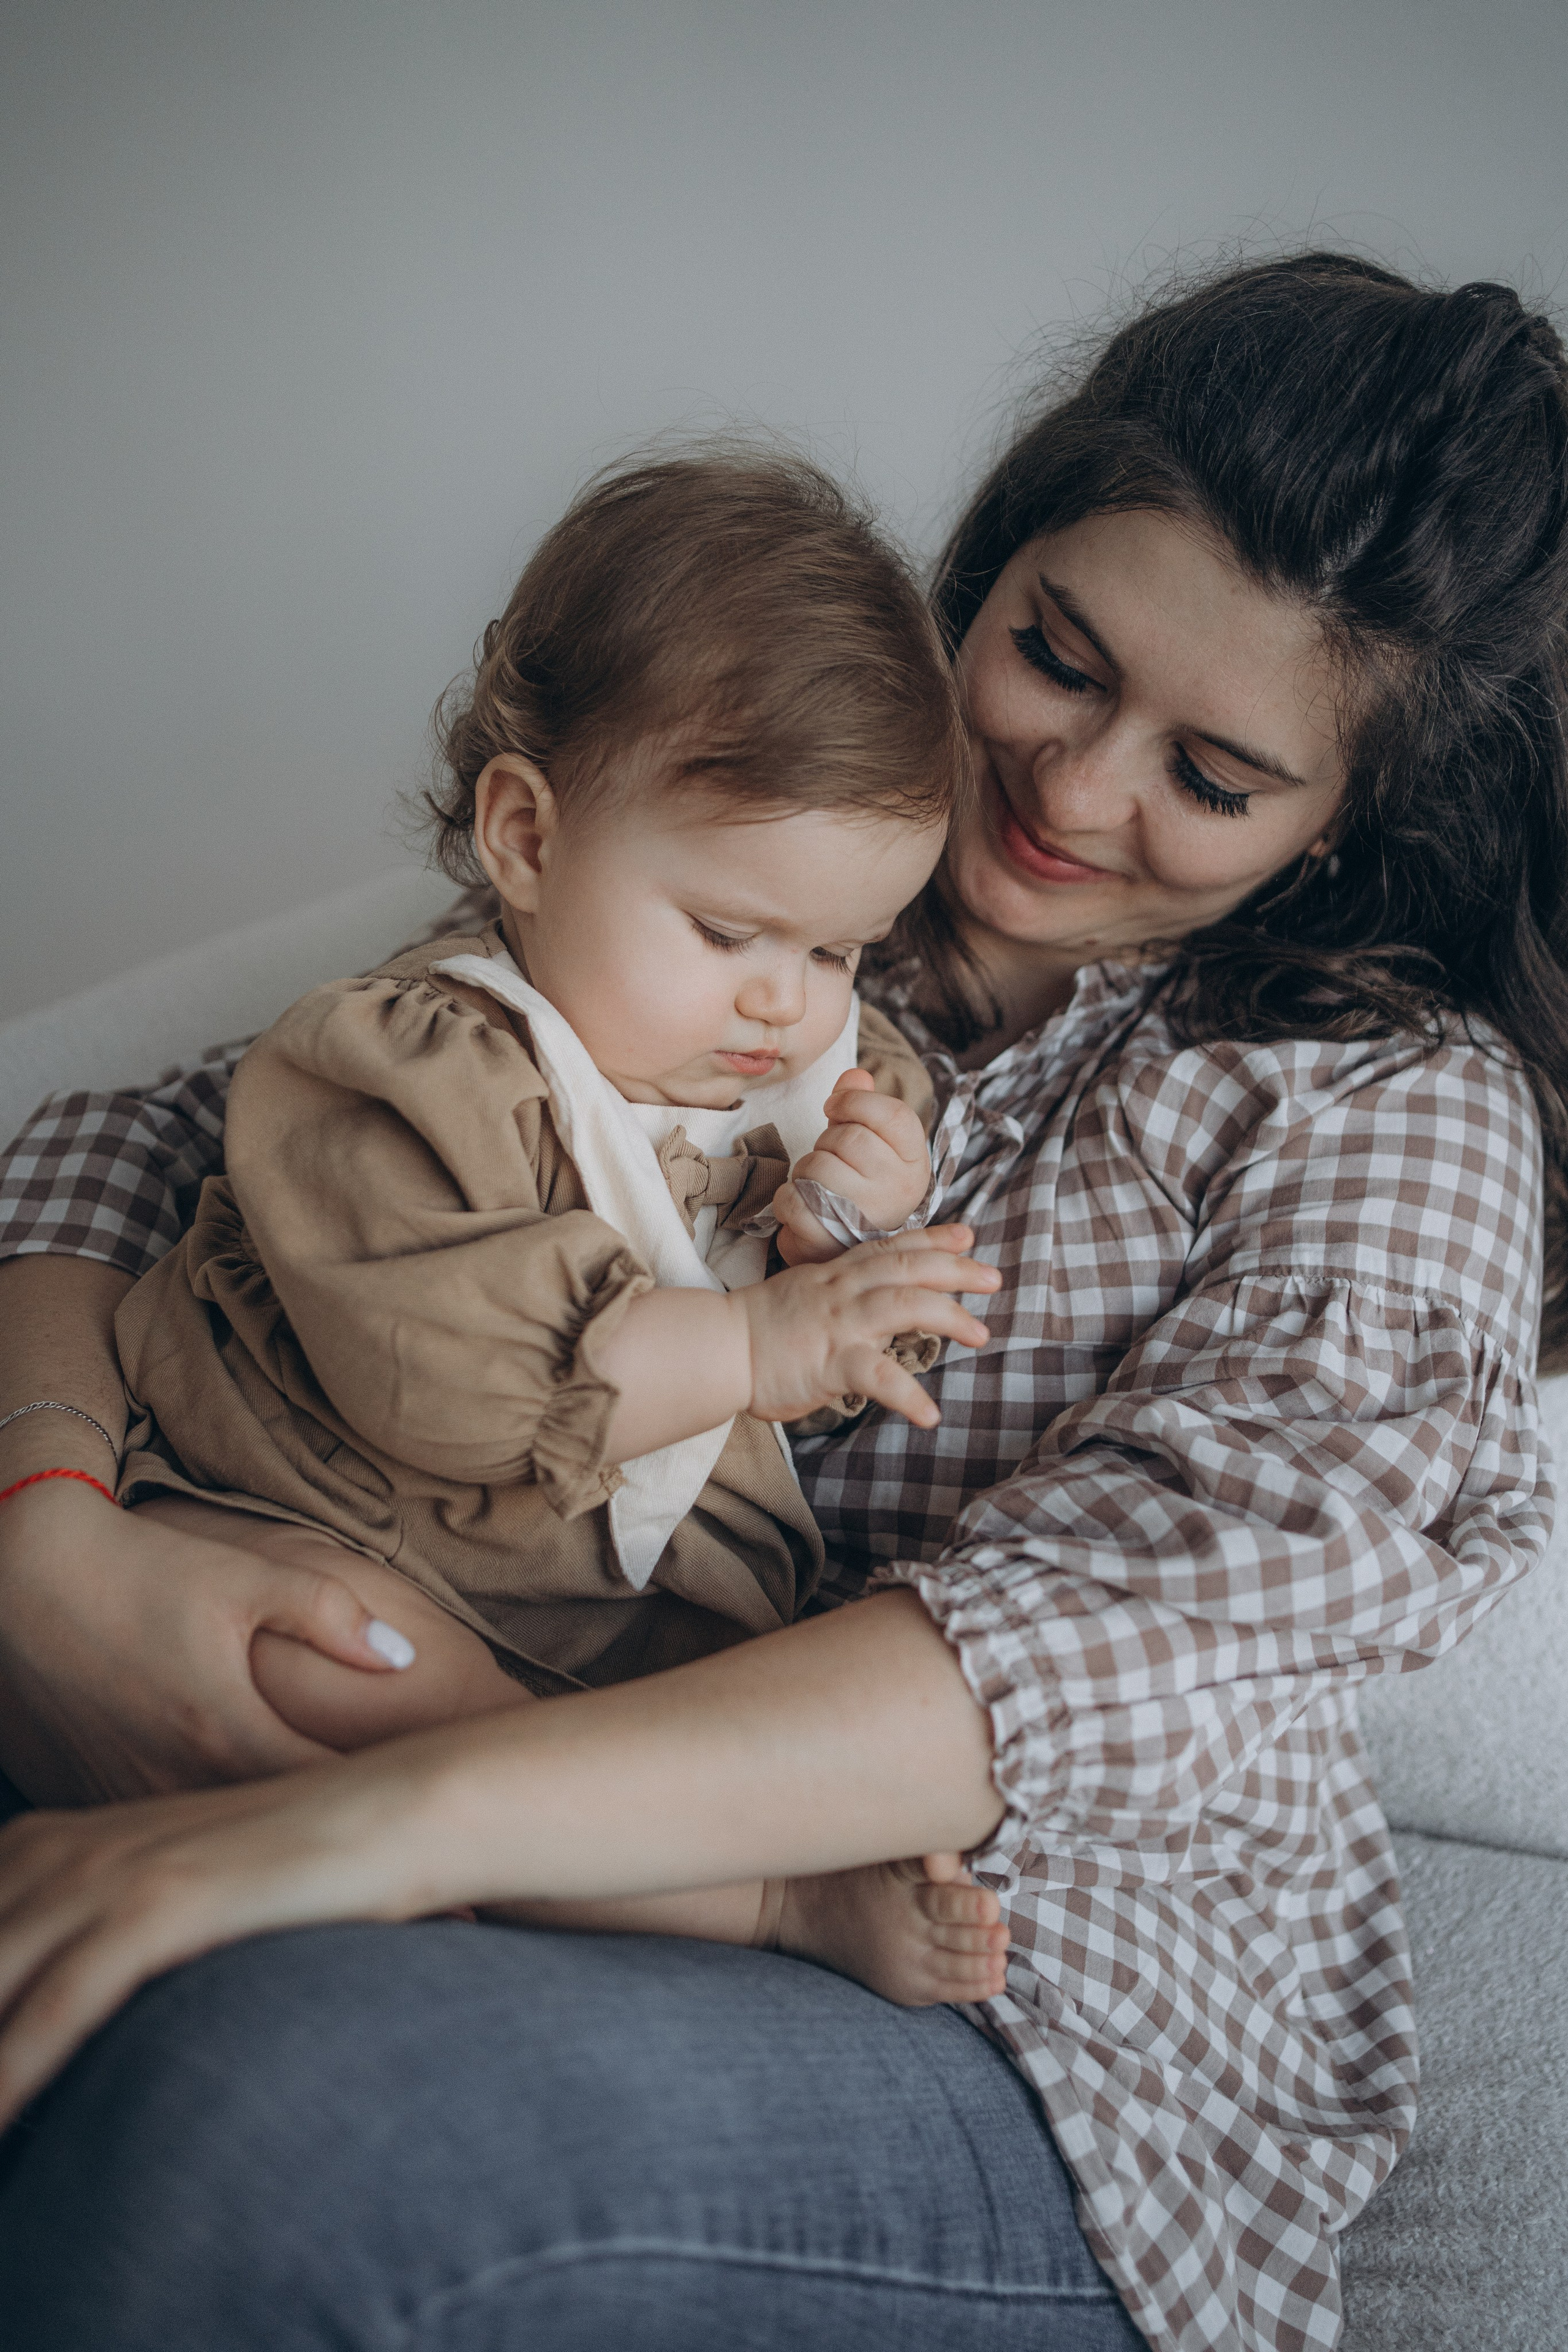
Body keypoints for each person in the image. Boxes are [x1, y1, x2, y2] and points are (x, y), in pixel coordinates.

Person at [0, 251, 1564, 2352]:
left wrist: (357, 1812)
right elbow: (167, 1159)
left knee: (278, 2122)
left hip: (1018, 2005)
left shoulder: (1390, 1113)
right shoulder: (769, 865)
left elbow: (1080, 1646)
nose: (1074, 790)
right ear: (991, 571)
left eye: (1213, 777)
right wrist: (56, 1554)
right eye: (1057, 656)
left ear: (1346, 828)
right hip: (420, 1726)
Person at [107, 445, 1008, 1999]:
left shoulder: (783, 1052)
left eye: (842, 949)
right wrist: (760, 1340)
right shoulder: (399, 1071)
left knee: (653, 1734)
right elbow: (450, 1382)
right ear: (524, 837)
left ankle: (651, 1850)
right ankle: (764, 1911)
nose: (783, 1000)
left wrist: (859, 1188)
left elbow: (843, 1123)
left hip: (593, 1608)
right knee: (344, 1675)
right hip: (319, 1519)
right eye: (730, 929)